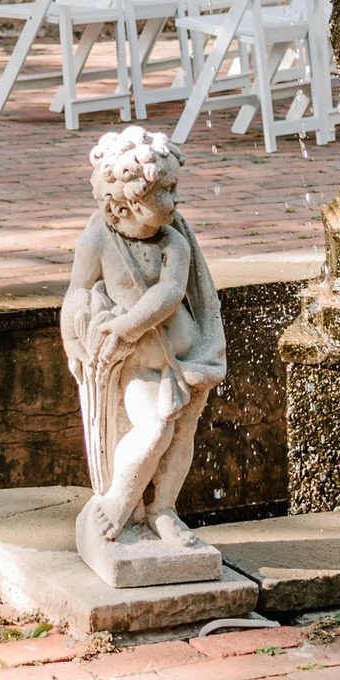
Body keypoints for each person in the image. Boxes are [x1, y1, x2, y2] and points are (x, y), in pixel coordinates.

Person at [60, 124, 226, 547]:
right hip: (141, 364)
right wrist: (75, 340)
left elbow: (172, 292)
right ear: (122, 206)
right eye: (164, 192)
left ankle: (163, 509)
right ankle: (119, 500)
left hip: (189, 359)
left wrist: (126, 324)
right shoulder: (98, 238)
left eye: (173, 188)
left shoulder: (174, 240)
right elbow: (77, 293)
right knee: (154, 429)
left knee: (183, 434)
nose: (174, 201)